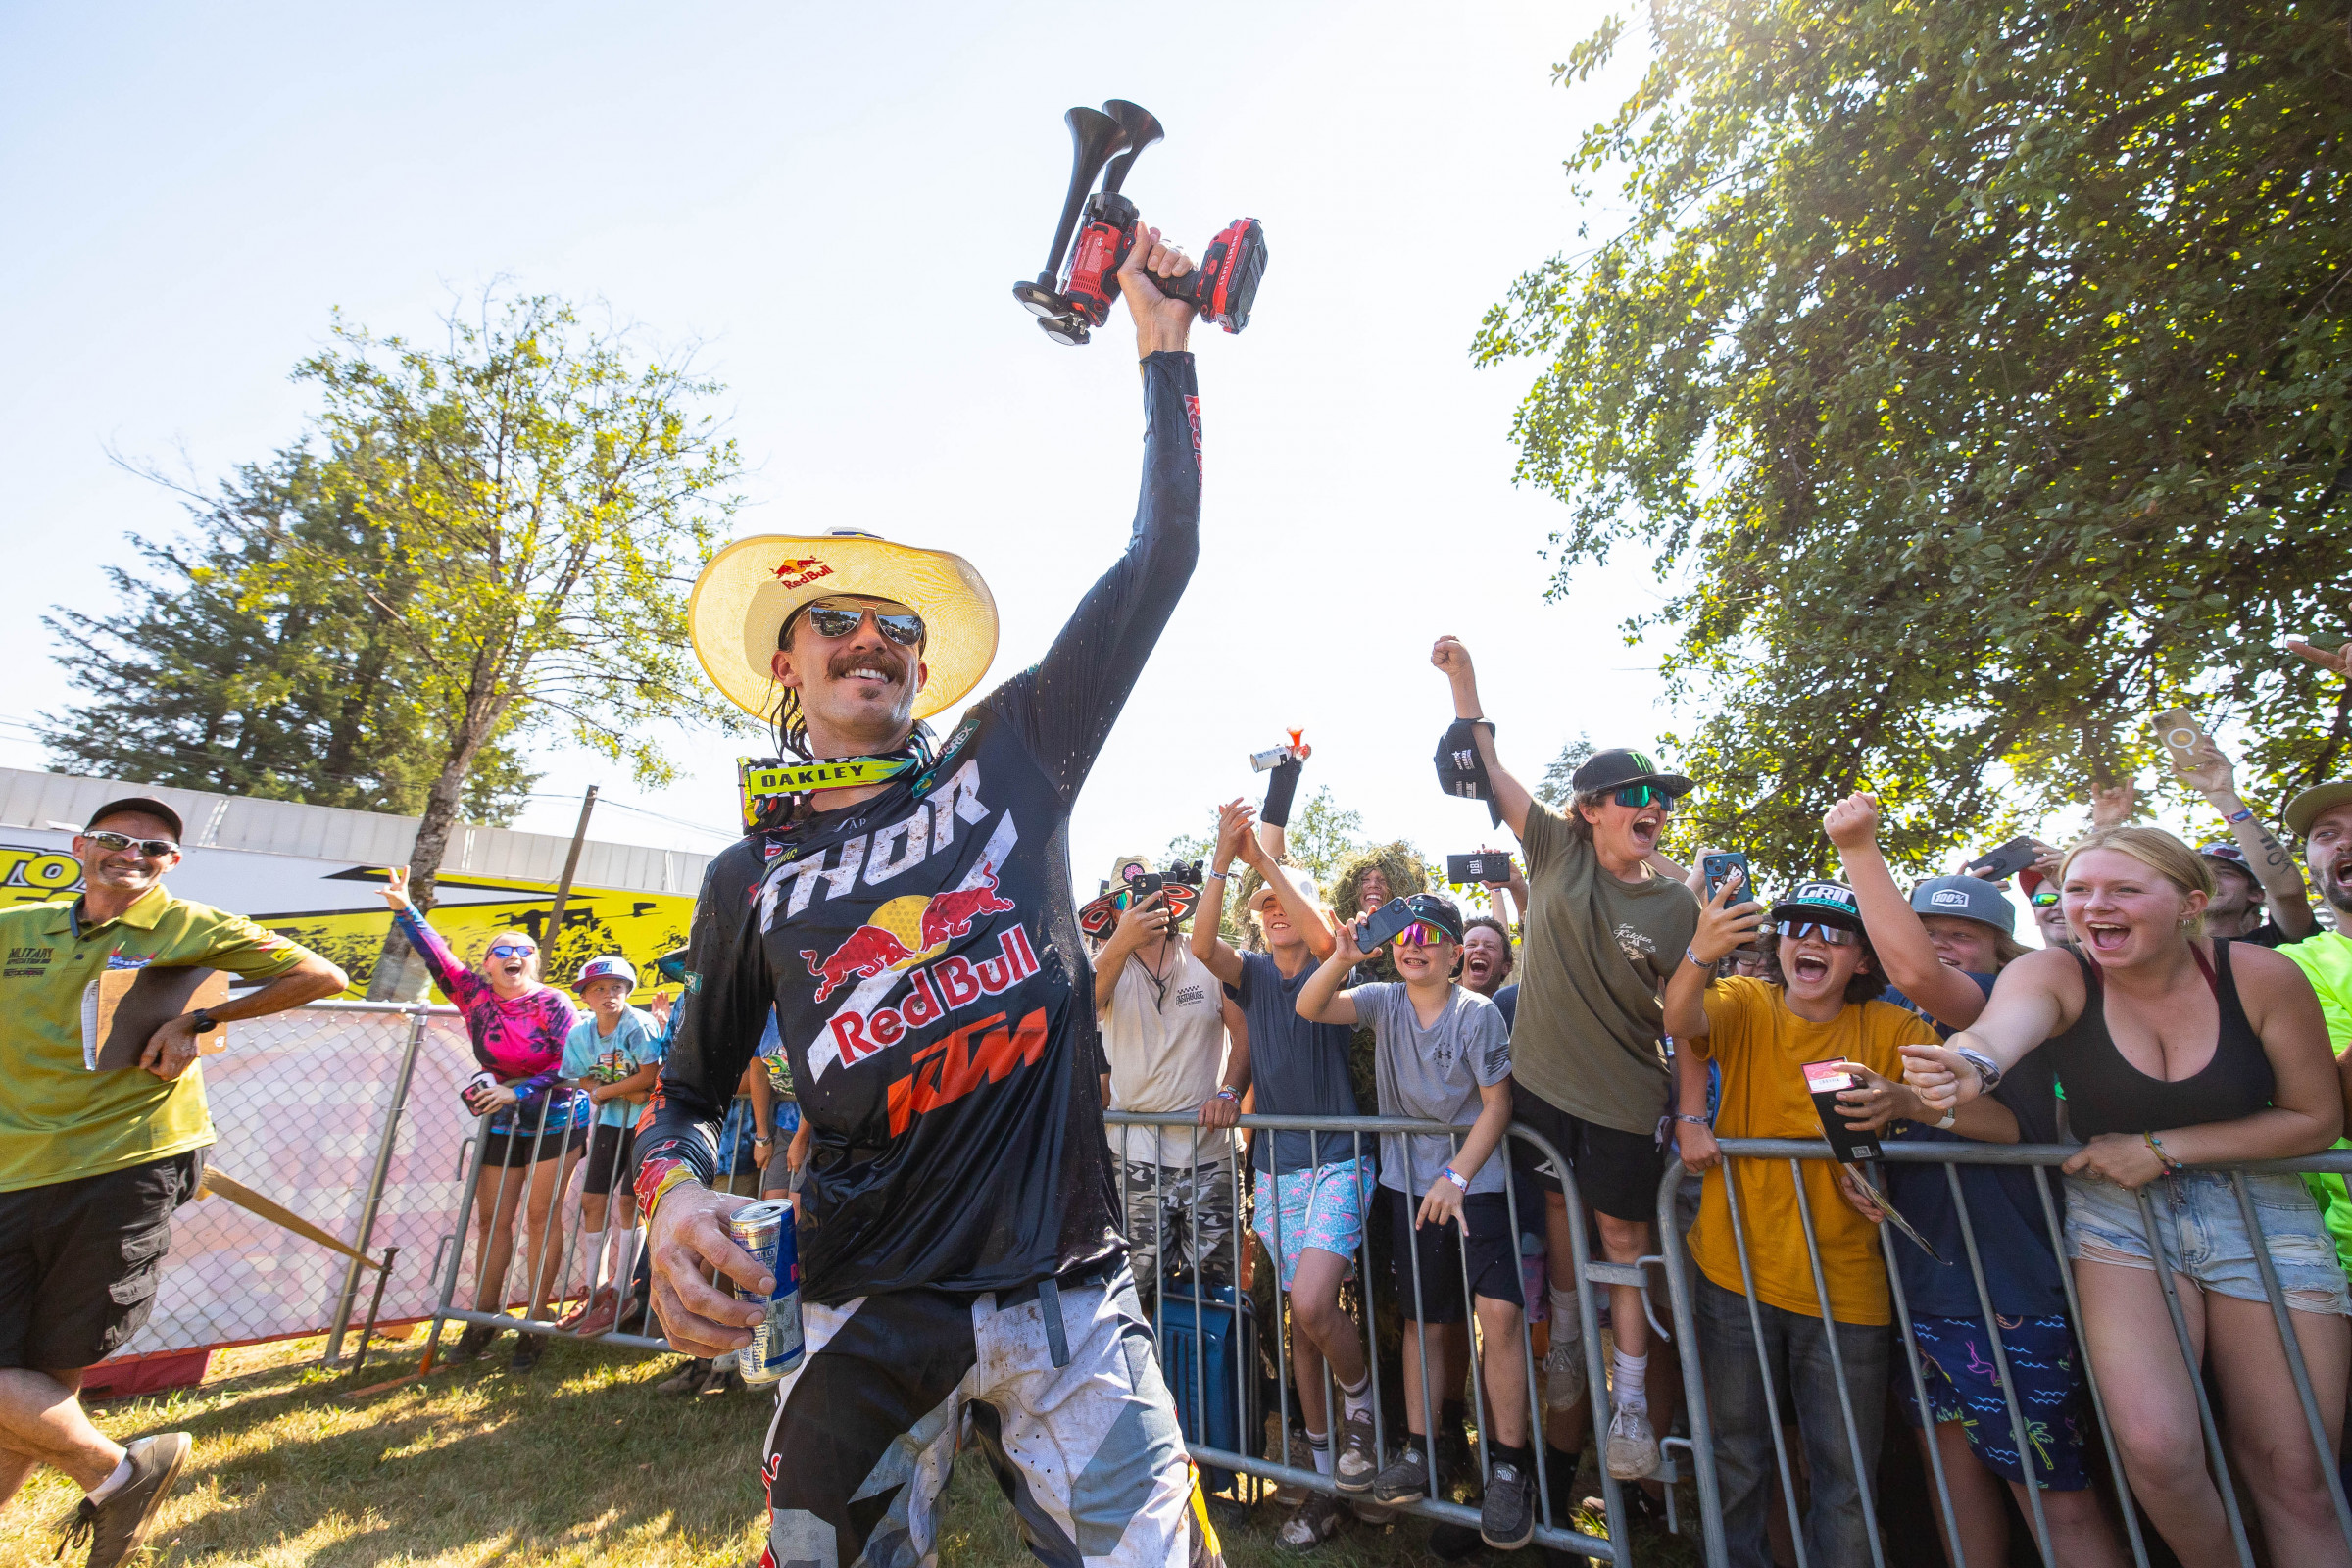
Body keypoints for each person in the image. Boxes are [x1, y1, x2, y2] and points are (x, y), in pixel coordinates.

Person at [639, 228, 1224, 1568]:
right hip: (866, 1304)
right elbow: (683, 1094)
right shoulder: (748, 878)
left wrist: (1163, 346)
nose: (871, 640)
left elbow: (1162, 555)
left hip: (1071, 1294)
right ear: (786, 665)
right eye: (835, 620)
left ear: (922, 667)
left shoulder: (1011, 758)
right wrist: (671, 1198)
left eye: (899, 627)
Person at [1904, 826, 2350, 1568]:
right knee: (2155, 1453)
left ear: (2190, 904)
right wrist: (1966, 1068)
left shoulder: (2261, 975)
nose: (2093, 906)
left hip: (2262, 1211)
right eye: (2078, 890)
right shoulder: (2056, 971)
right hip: (2118, 1217)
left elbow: (2316, 1119)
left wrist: (2161, 1149)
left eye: (2124, 890)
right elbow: (1998, 1033)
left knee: (2298, 1477)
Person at [0, 797, 344, 1568]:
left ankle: (111, 1480)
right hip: (14, 1167)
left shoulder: (190, 924)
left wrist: (201, 1021)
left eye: (153, 848)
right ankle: (121, 1474)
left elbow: (320, 974)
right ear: (81, 847)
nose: (133, 855)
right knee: (23, 1378)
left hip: (128, 1164)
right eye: (116, 840)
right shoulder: (16, 929)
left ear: (173, 863)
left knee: (51, 1365)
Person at [1822, 796, 2126, 1568]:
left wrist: (1857, 847)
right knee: (1952, 1480)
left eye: (1961, 934)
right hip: (1920, 1286)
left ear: (1999, 947)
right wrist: (1868, 1166)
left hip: (2009, 1290)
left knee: (2055, 1495)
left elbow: (2014, 1129)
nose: (1940, 946)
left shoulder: (2013, 1009)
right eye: (1925, 929)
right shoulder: (1887, 1020)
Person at [1430, 635, 1698, 1483]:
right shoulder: (1552, 847)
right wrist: (1465, 681)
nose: (1652, 807)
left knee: (1622, 1239)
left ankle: (1630, 1403)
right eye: (1634, 796)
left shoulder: (1678, 905)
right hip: (1542, 1091)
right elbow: (1491, 768)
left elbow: (1691, 1027)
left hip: (1623, 1098)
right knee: (1555, 1219)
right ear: (1590, 809)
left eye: (1660, 798)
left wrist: (1691, 1113)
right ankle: (1572, 1351)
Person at [1667, 877, 1938, 1568]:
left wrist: (1906, 1100)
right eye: (1797, 928)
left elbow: (1994, 1121)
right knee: (1736, 1458)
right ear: (1778, 943)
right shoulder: (1744, 1000)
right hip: (1733, 1272)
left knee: (1844, 1479)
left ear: (1864, 959)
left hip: (1846, 1290)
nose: (1811, 941)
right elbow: (1680, 1019)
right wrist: (1700, 951)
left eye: (1834, 933)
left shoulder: (1892, 1029)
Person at [1297, 893, 1535, 1551]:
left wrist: (1456, 1176)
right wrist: (1342, 958)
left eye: (1430, 935)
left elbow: (1497, 1104)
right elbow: (1311, 1006)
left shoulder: (1478, 1013)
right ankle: (1422, 1451)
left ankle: (1509, 1469)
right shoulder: (1382, 1001)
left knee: (1500, 1318)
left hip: (1475, 1186)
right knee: (1423, 1321)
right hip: (1409, 1188)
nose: (1413, 944)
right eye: (1403, 935)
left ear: (1455, 954)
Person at [1191, 802, 1376, 1547]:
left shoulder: (1329, 960)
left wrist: (1264, 862)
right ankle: (1327, 1484)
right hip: (1275, 1169)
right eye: (1262, 905)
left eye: (1283, 901)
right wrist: (1221, 859)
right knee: (1303, 1325)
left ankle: (1362, 1412)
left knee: (1311, 1301)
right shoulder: (1254, 975)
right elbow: (1201, 943)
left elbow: (1329, 938)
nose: (1271, 912)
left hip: (1339, 1161)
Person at [382, 870, 588, 1373]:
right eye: (502, 950)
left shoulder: (553, 1002)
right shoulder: (473, 994)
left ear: (534, 962)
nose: (514, 955)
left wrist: (518, 1089)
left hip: (557, 1116)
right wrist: (405, 908)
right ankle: (483, 1318)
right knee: (492, 1218)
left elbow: (570, 1065)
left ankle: (536, 1322)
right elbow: (437, 956)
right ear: (487, 963)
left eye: (524, 950)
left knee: (540, 1216)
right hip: (502, 1119)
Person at [1094, 853, 1250, 1318]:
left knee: (1218, 1292)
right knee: (1133, 1293)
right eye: (1126, 900)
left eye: (1148, 896)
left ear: (1170, 900)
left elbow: (1243, 1032)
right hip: (1135, 1157)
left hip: (1211, 1154)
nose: (1140, 907)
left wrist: (1229, 1091)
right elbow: (1084, 1002)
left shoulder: (1205, 954)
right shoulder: (1105, 965)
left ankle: (1214, 1370)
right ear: (1112, 911)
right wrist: (1121, 942)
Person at [554, 956, 662, 1340]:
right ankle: (594, 1287)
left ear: (628, 992)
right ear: (585, 997)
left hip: (646, 1122)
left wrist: (607, 1091)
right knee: (592, 1199)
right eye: (598, 988)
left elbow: (650, 1076)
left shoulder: (639, 1025)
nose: (608, 994)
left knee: (630, 1201)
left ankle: (623, 1290)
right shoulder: (580, 1033)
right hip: (612, 1122)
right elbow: (580, 1077)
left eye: (617, 987)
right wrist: (617, 1091)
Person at [2170, 730, 2317, 946]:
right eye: (2201, 874)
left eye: (2224, 872)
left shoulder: (2276, 944)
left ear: (2255, 893)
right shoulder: (2159, 949)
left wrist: (2225, 798)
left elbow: (2288, 892)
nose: (2210, 880)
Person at [1460, 915, 1514, 1001]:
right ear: (1457, 960)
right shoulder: (1441, 1006)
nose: (1479, 949)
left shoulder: (1517, 1007)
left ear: (1506, 967)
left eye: (1490, 946)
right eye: (1471, 944)